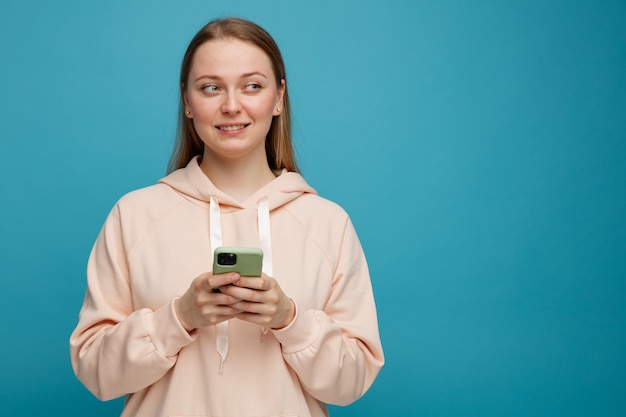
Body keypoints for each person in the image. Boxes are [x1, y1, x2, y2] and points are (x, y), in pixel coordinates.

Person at [69, 17, 384, 417]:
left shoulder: (328, 224)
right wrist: (180, 317)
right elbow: (94, 370)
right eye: (211, 87)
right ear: (187, 100)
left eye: (252, 86)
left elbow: (353, 383)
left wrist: (290, 320)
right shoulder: (133, 216)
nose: (231, 105)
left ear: (278, 98)